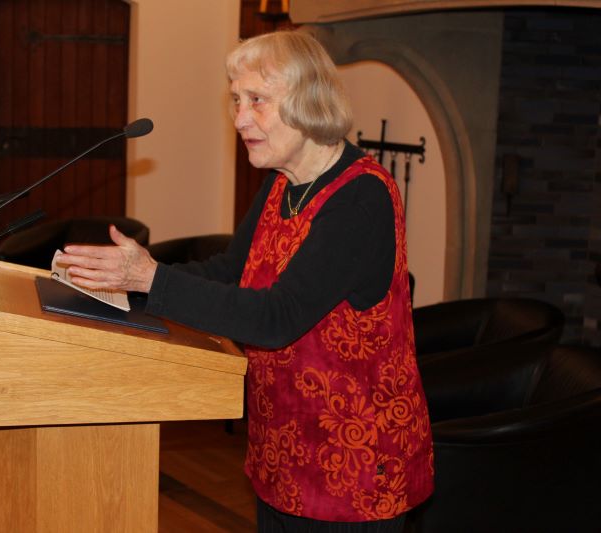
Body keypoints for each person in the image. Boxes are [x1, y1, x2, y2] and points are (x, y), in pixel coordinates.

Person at [60, 30, 433, 532]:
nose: (238, 118)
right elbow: (229, 273)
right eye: (236, 100)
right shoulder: (283, 183)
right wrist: (124, 286)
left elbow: (275, 318)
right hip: (284, 452)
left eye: (257, 100)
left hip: (355, 470)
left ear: (308, 101)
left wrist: (152, 280)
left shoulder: (360, 198)